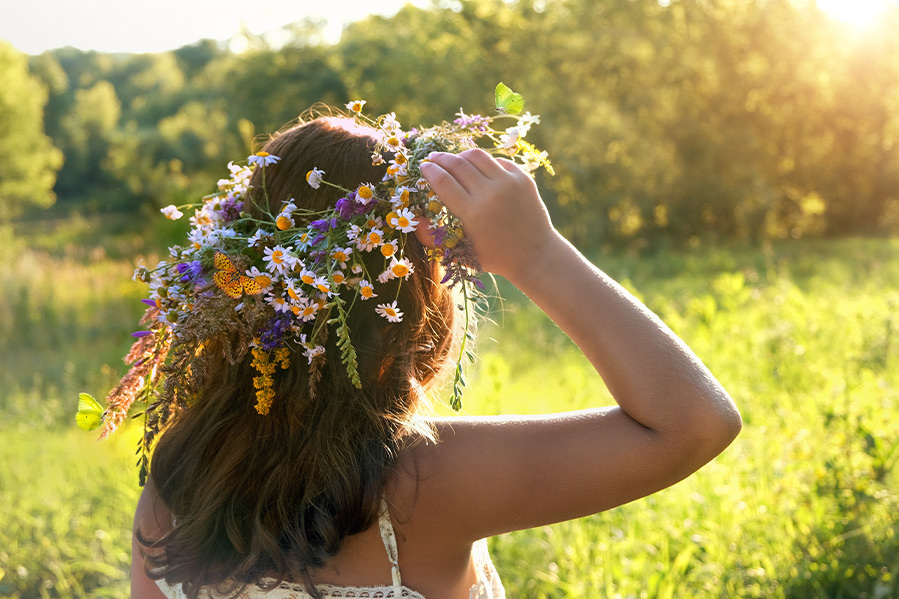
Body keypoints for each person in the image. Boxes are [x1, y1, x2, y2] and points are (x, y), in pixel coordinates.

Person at [131, 114, 741, 599]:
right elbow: (696, 423)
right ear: (411, 299)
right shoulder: (428, 482)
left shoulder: (176, 484)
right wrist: (537, 255)